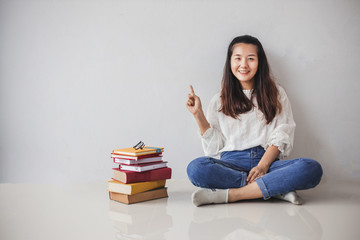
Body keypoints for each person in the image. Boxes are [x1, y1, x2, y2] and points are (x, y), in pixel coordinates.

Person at [186, 35, 323, 207]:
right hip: (230, 164)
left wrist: (263, 167)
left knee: (311, 168)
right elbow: (214, 148)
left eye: (250, 59)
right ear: (230, 62)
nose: (243, 65)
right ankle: (275, 189)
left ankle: (233, 195)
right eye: (238, 58)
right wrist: (198, 114)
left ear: (260, 62)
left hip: (267, 161)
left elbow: (282, 133)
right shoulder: (219, 100)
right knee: (196, 169)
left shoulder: (276, 94)